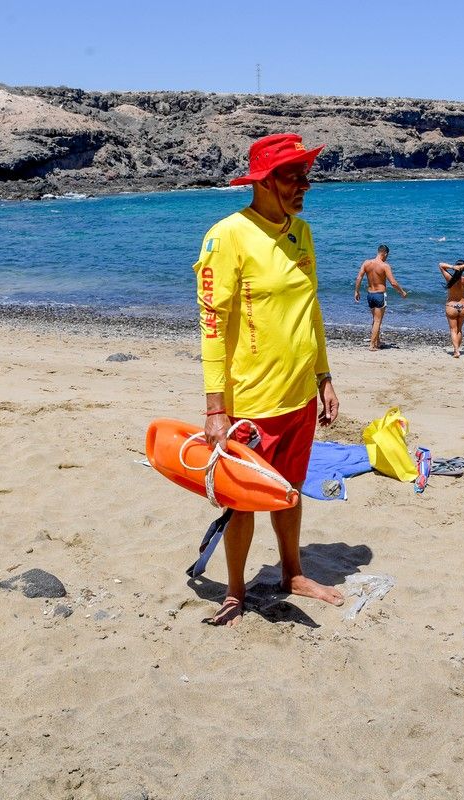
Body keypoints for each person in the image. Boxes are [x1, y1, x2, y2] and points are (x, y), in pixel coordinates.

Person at [193, 133, 344, 627]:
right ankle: (235, 591)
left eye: (306, 175)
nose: (305, 185)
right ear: (263, 181)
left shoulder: (302, 232)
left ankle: (293, 573)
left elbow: (311, 308)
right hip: (251, 402)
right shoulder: (227, 235)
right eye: (292, 176)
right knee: (242, 502)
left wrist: (323, 375)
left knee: (292, 489)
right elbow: (212, 325)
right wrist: (216, 408)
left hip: (300, 393)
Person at [353, 244, 408, 351]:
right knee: (378, 321)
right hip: (379, 295)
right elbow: (393, 282)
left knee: (375, 320)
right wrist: (402, 292)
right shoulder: (385, 266)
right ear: (385, 253)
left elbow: (359, 277)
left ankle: (377, 342)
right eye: (387, 255)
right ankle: (372, 345)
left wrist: (356, 291)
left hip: (370, 295)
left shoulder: (366, 263)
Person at [439, 258, 464, 357]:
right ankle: (457, 349)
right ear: (463, 269)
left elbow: (441, 264)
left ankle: (456, 351)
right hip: (463, 306)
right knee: (459, 329)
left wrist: (452, 267)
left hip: (451, 306)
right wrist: (462, 266)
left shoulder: (449, 278)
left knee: (453, 329)